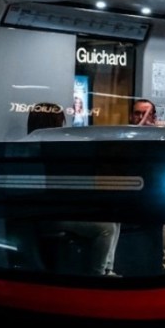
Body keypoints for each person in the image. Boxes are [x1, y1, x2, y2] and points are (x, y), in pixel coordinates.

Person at [26, 103, 121, 275]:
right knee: (108, 227)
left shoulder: (24, 145)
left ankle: (107, 270)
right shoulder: (56, 149)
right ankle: (98, 273)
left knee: (112, 217)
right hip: (49, 215)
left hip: (40, 211)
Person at [130, 98, 165, 270]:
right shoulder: (124, 135)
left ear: (154, 116)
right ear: (131, 116)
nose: (141, 118)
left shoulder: (162, 133)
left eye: (146, 114)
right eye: (137, 113)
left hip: (155, 192)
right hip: (130, 191)